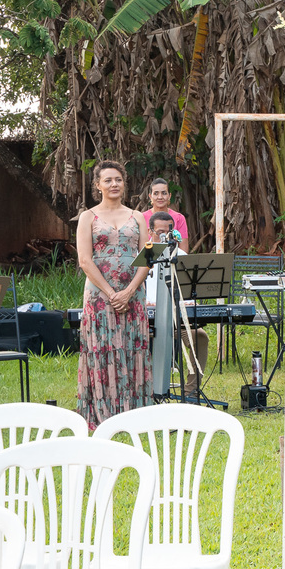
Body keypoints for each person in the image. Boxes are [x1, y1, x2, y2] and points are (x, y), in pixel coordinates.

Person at [77, 160, 152, 430]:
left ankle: (134, 413)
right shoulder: (88, 217)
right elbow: (85, 260)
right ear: (98, 185)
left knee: (132, 347)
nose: (114, 184)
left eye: (118, 179)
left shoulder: (139, 217)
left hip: (133, 294)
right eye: (108, 180)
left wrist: (129, 291)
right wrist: (111, 293)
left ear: (124, 183)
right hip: (99, 296)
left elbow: (148, 257)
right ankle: (103, 414)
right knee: (103, 349)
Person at [145, 211, 209, 396]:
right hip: (149, 320)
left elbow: (188, 290)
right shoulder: (145, 255)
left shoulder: (181, 255)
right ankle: (147, 390)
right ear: (151, 231)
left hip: (177, 319)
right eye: (160, 232)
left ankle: (190, 391)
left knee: (200, 337)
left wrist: (188, 303)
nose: (166, 237)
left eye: (169, 233)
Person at [143, 177, 189, 252]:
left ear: (169, 196)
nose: (160, 197)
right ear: (150, 197)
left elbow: (183, 252)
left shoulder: (179, 218)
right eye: (156, 193)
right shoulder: (142, 218)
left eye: (164, 193)